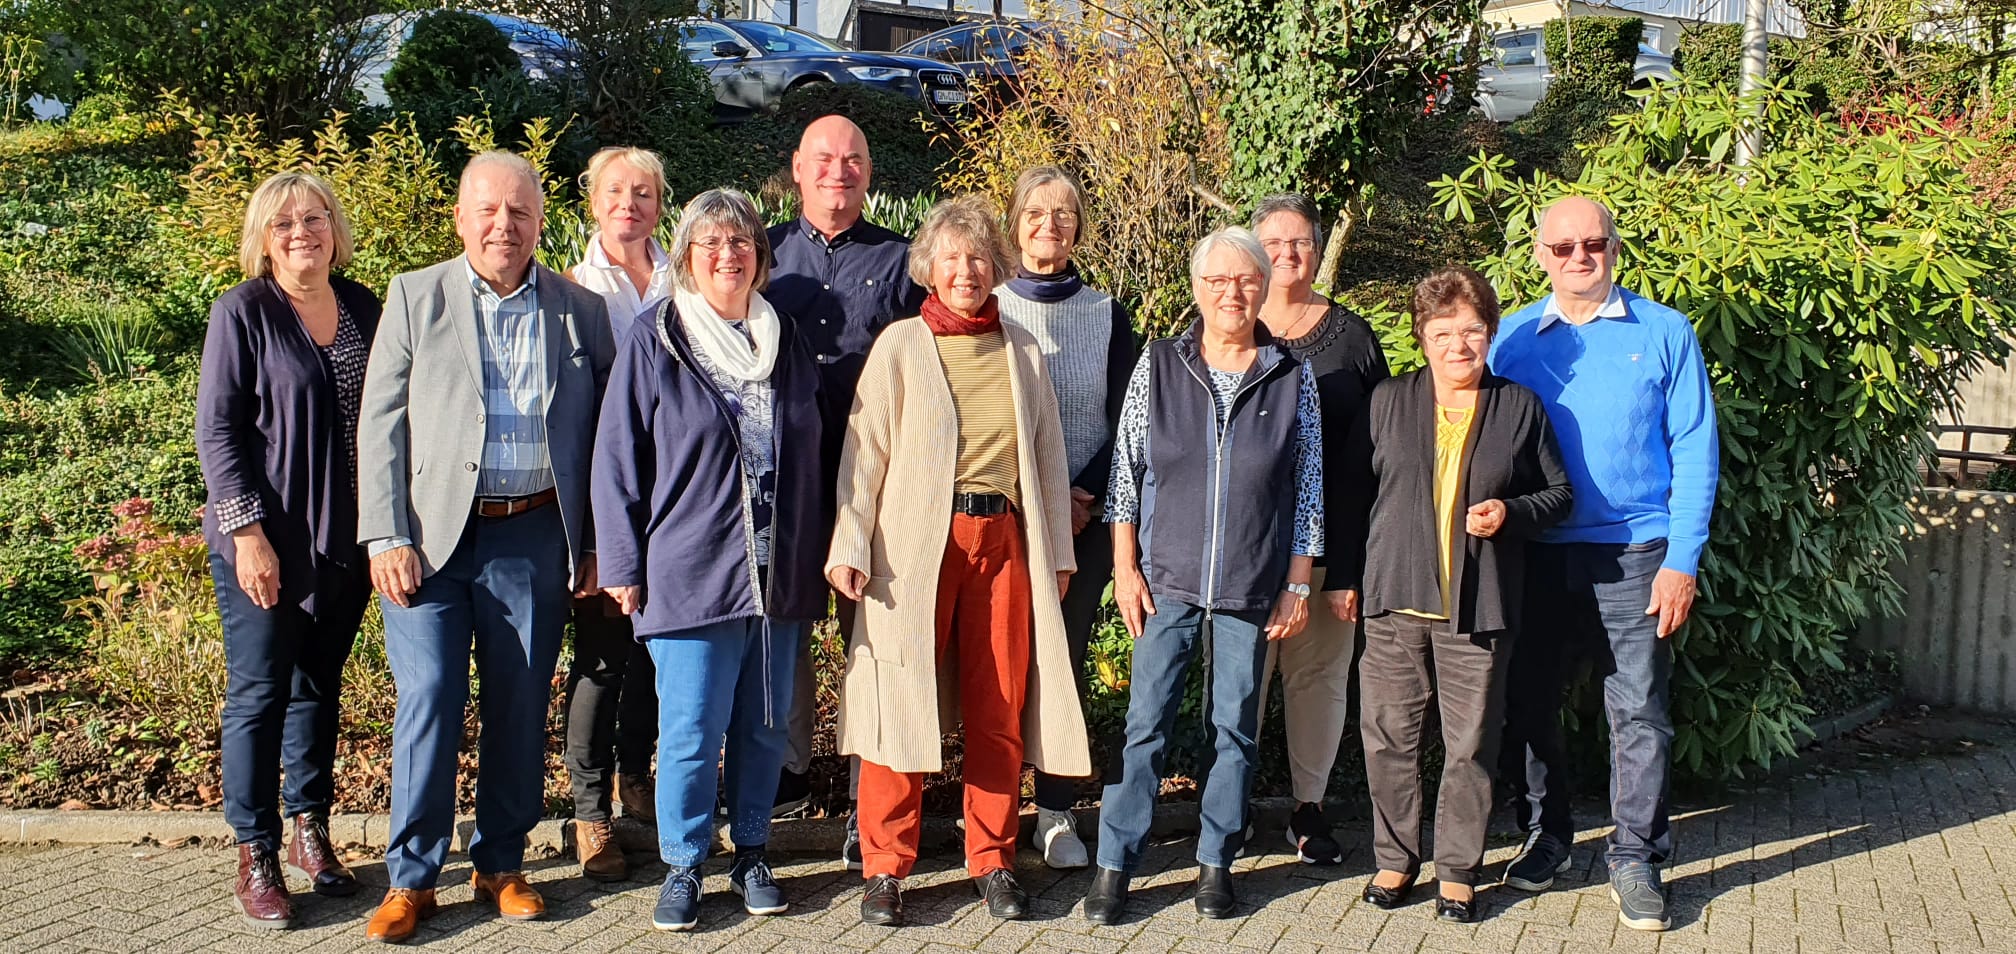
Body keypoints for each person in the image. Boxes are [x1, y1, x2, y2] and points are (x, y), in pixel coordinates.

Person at [355, 151, 616, 943]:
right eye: (489, 211)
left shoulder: (580, 310)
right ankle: (412, 878)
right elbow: (380, 423)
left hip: (533, 531)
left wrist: (599, 542)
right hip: (431, 539)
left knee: (518, 700)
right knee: (431, 692)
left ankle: (502, 864)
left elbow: (605, 438)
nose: (505, 225)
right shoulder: (414, 296)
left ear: (541, 222)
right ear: (462, 218)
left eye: (521, 212)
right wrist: (386, 533)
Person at [825, 195, 1090, 927]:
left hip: (1003, 542)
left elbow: (1046, 454)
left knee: (999, 705)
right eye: (952, 258)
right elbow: (863, 454)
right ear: (929, 269)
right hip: (913, 548)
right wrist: (848, 543)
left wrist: (1057, 556)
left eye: (978, 258)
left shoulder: (1022, 350)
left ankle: (993, 858)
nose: (966, 270)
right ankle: (885, 866)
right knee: (896, 704)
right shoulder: (901, 345)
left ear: (995, 268)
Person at [592, 188, 829, 931]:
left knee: (762, 725)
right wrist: (623, 563)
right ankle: (685, 863)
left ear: (760, 255)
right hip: (690, 568)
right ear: (688, 256)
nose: (729, 255)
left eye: (742, 243)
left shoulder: (783, 337)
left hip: (775, 570)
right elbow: (617, 457)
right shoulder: (656, 336)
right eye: (711, 244)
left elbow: (813, 450)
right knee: (691, 729)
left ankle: (753, 850)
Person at [1492, 196, 1720, 933]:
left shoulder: (1665, 333)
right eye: (1563, 248)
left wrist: (1681, 559)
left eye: (1593, 243)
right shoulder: (1512, 338)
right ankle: (1549, 835)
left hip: (1636, 553)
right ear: (1539, 255)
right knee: (1530, 703)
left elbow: (1695, 449)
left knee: (1638, 711)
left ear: (1614, 248)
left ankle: (1635, 856)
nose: (1579, 257)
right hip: (1536, 553)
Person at [1084, 227, 1324, 925]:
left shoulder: (1290, 373)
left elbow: (1307, 488)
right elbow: (1125, 476)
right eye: (1217, 281)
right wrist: (1125, 569)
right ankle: (1115, 865)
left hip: (1254, 583)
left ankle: (1216, 862)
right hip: (1166, 582)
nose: (1232, 292)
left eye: (1245, 280)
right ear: (1197, 290)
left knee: (1236, 730)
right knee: (1145, 727)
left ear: (1262, 287)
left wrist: (1298, 582)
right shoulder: (1160, 364)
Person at [1332, 266, 1572, 924]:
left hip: (1479, 605)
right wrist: (1343, 578)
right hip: (1392, 598)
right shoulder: (1388, 401)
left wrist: (1511, 514)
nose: (1458, 345)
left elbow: (1559, 495)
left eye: (1471, 331)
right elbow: (1353, 495)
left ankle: (1460, 868)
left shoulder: (1519, 407)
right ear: (1422, 335)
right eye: (1443, 332)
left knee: (1469, 744)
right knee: (1386, 738)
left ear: (1490, 334)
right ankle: (1395, 856)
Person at [196, 171, 378, 929]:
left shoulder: (365, 305)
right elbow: (220, 432)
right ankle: (256, 851)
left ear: (334, 229)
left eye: (314, 219)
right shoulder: (242, 313)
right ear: (262, 240)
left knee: (318, 688)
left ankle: (310, 829)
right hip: (265, 544)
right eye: (283, 224)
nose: (301, 232)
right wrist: (247, 536)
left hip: (345, 540)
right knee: (260, 694)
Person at [766, 114, 925, 865]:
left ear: (870, 173)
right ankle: (789, 773)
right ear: (797, 169)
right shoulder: (759, 254)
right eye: (824, 158)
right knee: (785, 631)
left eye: (854, 158)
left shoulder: (901, 263)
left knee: (873, 635)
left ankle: (871, 781)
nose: (840, 170)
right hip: (785, 486)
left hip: (875, 485)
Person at [994, 165, 1137, 870]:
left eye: (1065, 214)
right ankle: (988, 814)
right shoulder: (982, 305)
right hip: (1003, 520)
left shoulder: (1108, 314)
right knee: (995, 666)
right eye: (1037, 213)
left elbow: (1128, 422)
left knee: (1063, 666)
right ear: (1014, 223)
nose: (1051, 225)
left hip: (1084, 524)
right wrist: (1039, 498)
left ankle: (1054, 812)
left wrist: (1078, 496)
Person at [1247, 193, 1390, 866]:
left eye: (1300, 241)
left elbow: (1379, 458)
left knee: (1318, 683)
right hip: (1243, 552)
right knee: (1239, 683)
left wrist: (1359, 567)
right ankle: (1230, 806)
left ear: (1318, 247)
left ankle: (1308, 809)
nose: (1287, 254)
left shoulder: (1353, 338)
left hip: (1332, 552)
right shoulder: (1227, 327)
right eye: (1273, 242)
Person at [562, 145, 672, 881]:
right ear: (593, 202)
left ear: (660, 204)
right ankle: (589, 811)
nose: (628, 203)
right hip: (608, 501)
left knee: (659, 655)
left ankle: (639, 778)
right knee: (602, 660)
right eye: (614, 191)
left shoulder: (681, 277)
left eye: (643, 192)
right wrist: (597, 536)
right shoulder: (569, 290)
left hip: (678, 502)